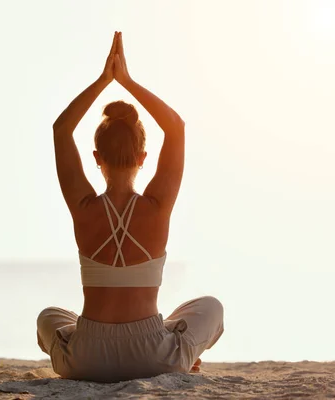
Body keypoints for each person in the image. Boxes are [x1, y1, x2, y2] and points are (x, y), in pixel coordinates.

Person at [37, 31, 224, 383]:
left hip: (87, 358)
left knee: (49, 317)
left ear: (96, 157)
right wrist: (128, 81)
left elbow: (61, 129)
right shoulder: (158, 207)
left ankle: (161, 338)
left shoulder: (83, 207)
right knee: (211, 308)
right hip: (154, 355)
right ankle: (181, 350)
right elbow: (176, 128)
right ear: (142, 157)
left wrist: (104, 81)